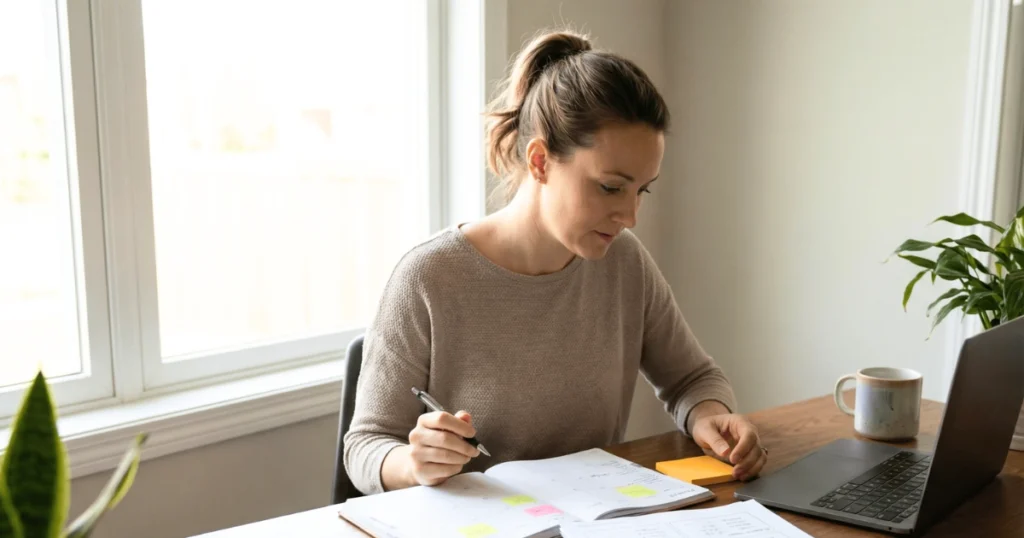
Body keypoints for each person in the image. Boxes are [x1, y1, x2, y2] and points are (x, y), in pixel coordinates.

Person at [344, 29, 767, 495]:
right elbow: (366, 446)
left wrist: (711, 415)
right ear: (541, 161)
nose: (629, 216)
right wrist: (413, 462)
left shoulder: (623, 262)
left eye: (641, 190)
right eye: (610, 187)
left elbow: (692, 378)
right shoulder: (429, 278)